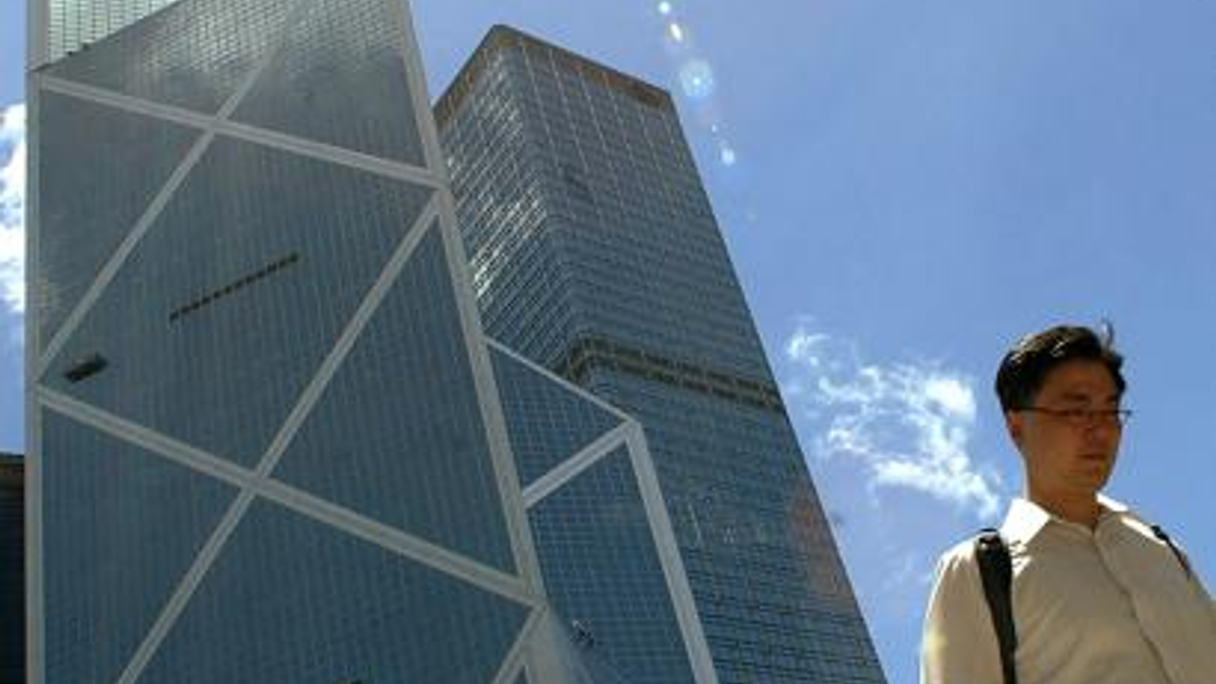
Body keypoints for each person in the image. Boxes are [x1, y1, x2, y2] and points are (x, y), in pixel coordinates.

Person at [920, 323, 1216, 684]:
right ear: (1016, 427)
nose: (1102, 430)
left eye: (1111, 411)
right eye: (1076, 411)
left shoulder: (1164, 551)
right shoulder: (978, 570)